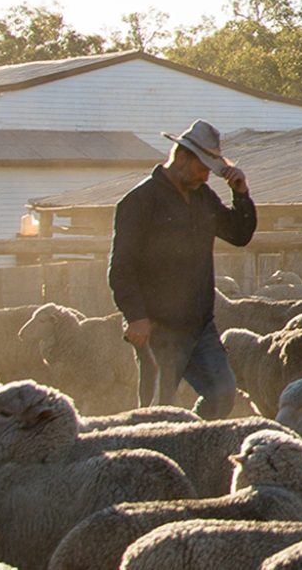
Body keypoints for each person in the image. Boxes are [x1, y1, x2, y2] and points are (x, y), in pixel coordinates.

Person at [108, 119, 256, 419]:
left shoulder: (203, 197)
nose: (206, 175)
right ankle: (151, 460)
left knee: (223, 392)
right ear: (183, 157)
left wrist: (241, 194)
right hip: (159, 326)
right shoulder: (139, 201)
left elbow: (238, 235)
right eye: (203, 167)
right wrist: (136, 316)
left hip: (200, 323)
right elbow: (121, 266)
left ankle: (193, 442)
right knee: (157, 411)